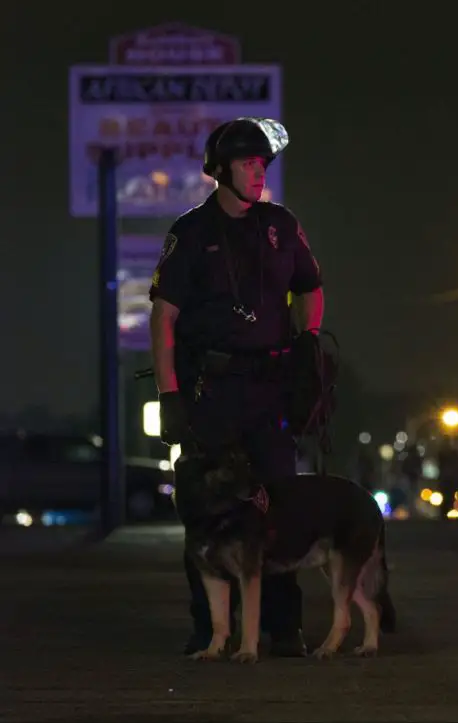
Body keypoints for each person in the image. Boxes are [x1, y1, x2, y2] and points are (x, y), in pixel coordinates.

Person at [148, 117, 325, 657]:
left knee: (279, 501)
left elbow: (311, 287)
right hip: (212, 390)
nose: (259, 173)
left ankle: (282, 625)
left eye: (263, 164)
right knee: (206, 506)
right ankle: (210, 628)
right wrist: (169, 394)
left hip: (269, 386)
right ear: (220, 170)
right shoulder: (193, 231)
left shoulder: (280, 224)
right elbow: (162, 318)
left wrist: (309, 341)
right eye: (249, 164)